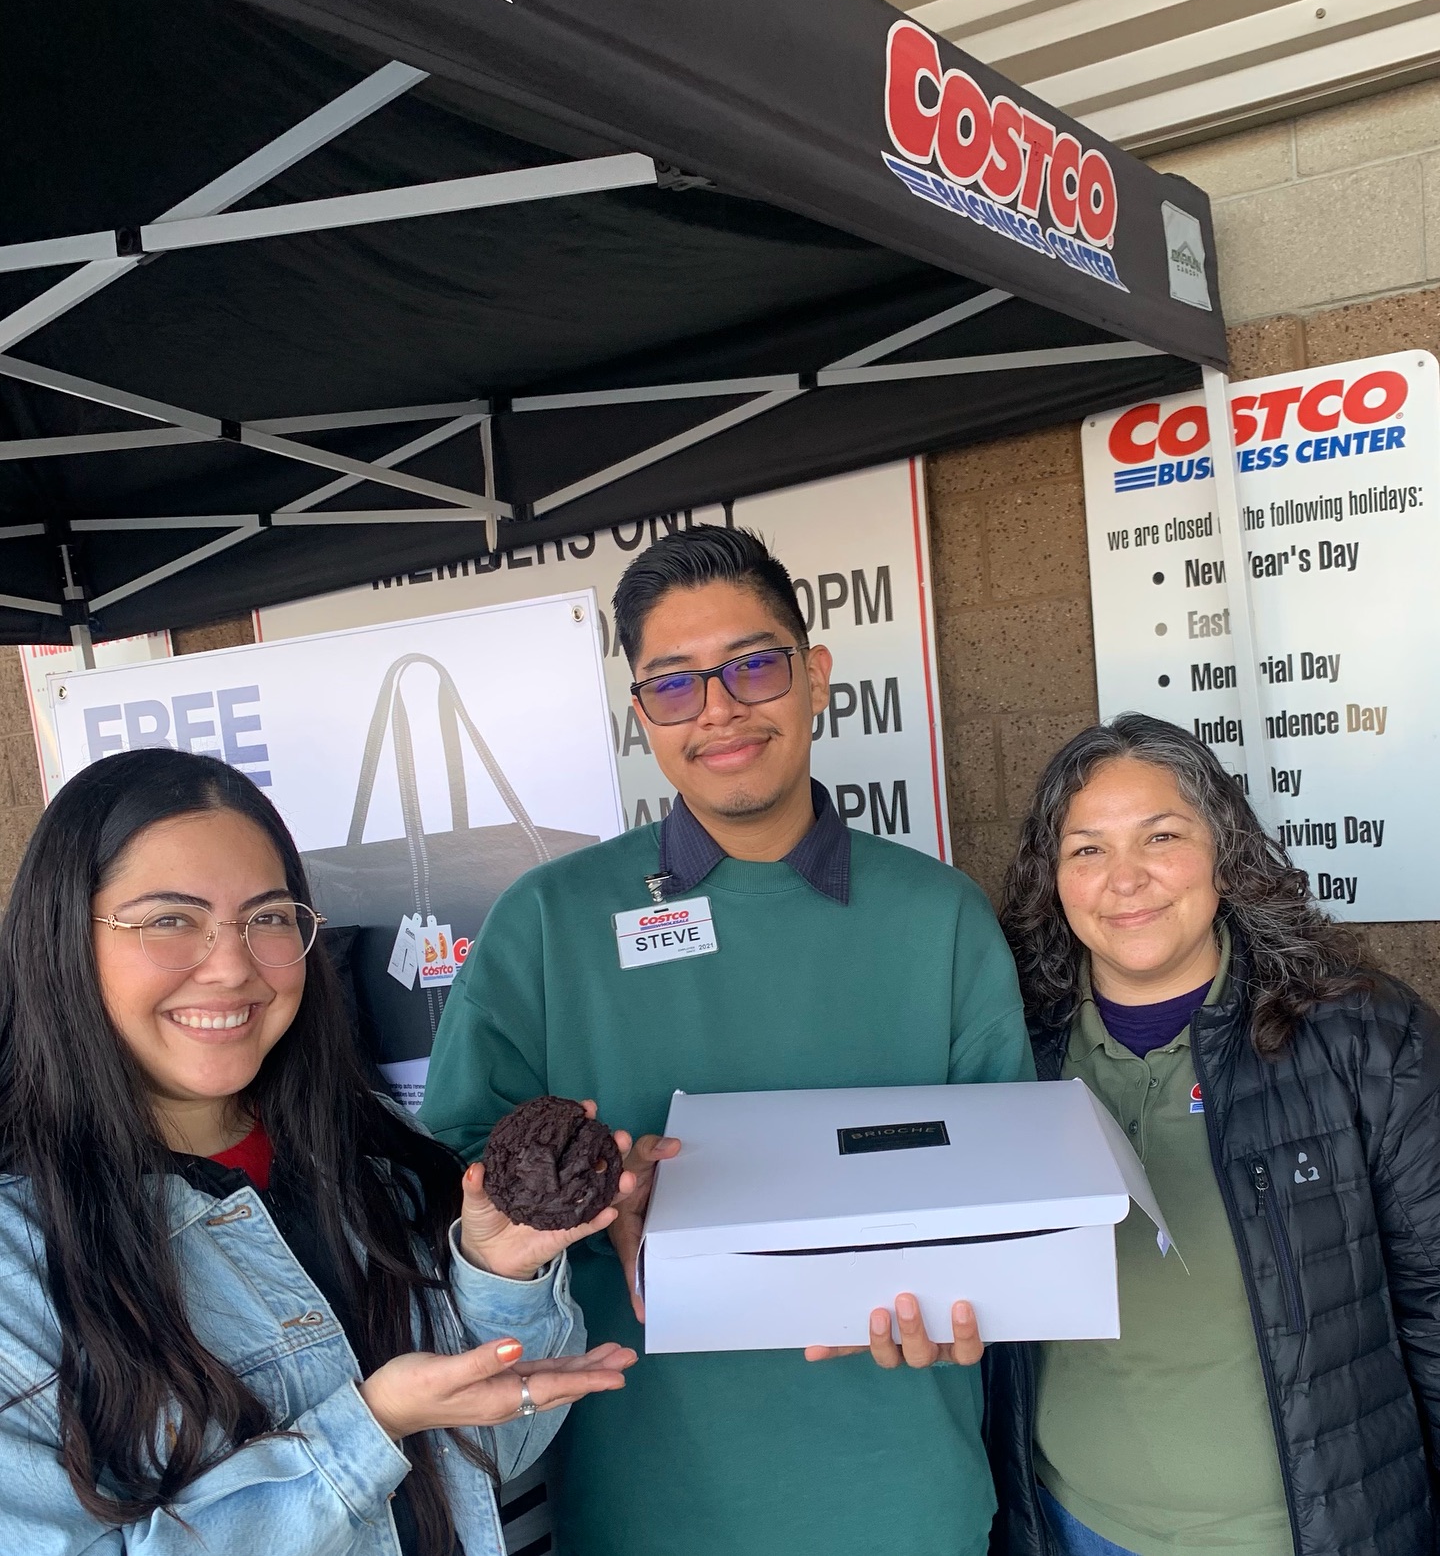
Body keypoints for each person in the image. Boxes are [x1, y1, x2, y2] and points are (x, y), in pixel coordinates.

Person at [419, 524, 1032, 1556]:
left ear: (816, 674)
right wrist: (595, 1182)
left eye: (754, 666)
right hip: (648, 1497)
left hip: (903, 1493)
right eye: (675, 684)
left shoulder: (943, 918)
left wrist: (991, 1283)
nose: (721, 710)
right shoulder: (547, 923)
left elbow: (1014, 1186)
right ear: (641, 715)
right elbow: (448, 1179)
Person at [0, 748, 637, 1556]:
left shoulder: (377, 1152)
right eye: (170, 919)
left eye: (267, 916)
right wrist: (368, 1429)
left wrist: (500, 1272)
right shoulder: (20, 1253)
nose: (232, 967)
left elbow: (490, 1454)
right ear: (63, 935)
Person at [986, 712, 1440, 1556]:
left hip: (1311, 1535)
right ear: (1053, 878)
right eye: (1087, 849)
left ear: (1225, 854)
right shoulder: (1011, 1048)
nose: (1126, 879)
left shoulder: (1364, 1037)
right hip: (1071, 1527)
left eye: (1161, 835)